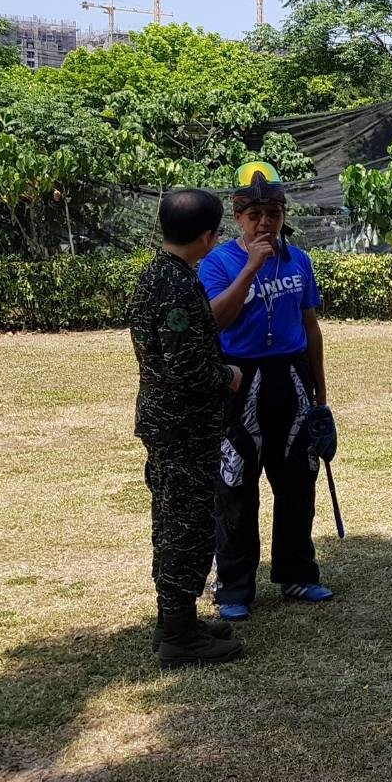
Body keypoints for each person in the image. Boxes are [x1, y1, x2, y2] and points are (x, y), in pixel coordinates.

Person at [201, 166, 333, 620]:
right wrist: (252, 267)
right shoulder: (218, 263)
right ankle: (235, 585)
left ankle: (297, 573)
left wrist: (321, 396)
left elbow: (311, 326)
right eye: (254, 213)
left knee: (298, 480)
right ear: (238, 217)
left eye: (273, 213)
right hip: (240, 381)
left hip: (292, 379)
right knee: (235, 483)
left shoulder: (299, 260)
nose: (264, 223)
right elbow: (214, 321)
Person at [129, 188, 245, 668]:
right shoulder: (175, 286)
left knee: (177, 524)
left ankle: (178, 620)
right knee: (187, 529)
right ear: (205, 236)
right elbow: (186, 368)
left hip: (175, 427)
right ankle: (178, 634)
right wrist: (228, 376)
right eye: (216, 233)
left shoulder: (160, 275)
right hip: (182, 430)